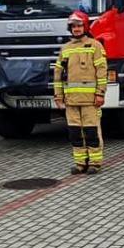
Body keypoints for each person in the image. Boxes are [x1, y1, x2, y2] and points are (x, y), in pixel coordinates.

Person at [52, 10, 108, 174]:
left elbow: (102, 71)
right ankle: (80, 163)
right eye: (73, 26)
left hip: (90, 100)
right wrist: (58, 96)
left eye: (79, 26)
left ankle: (95, 162)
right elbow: (58, 74)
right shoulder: (66, 48)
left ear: (85, 26)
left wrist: (100, 93)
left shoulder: (95, 45)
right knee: (75, 133)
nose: (76, 29)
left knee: (91, 131)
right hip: (71, 101)